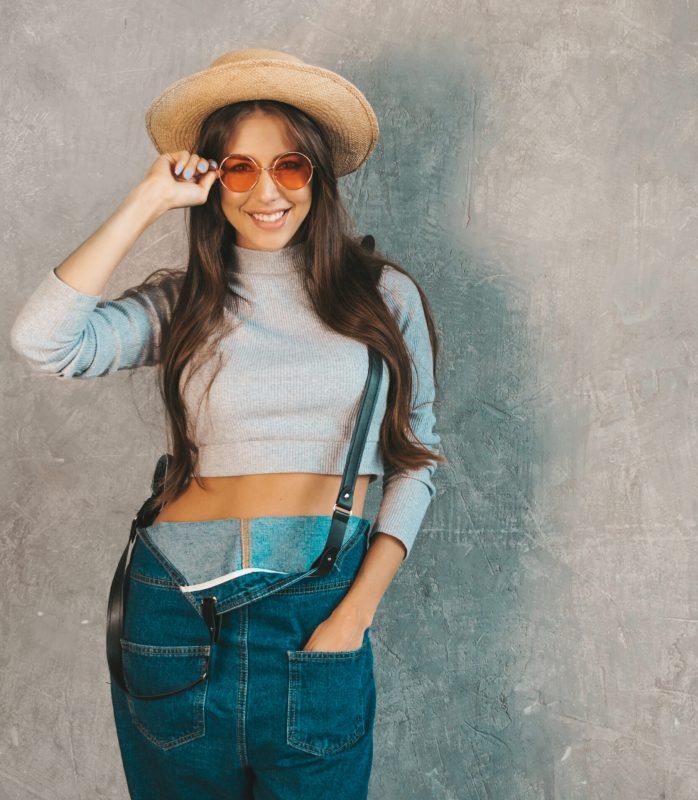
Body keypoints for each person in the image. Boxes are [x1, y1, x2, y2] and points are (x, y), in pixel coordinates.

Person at [9, 47, 445, 799]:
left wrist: (354, 615)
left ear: (318, 175)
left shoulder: (382, 295)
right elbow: (42, 343)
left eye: (289, 166)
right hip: (173, 611)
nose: (266, 191)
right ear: (212, 180)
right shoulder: (184, 303)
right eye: (239, 169)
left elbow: (418, 456)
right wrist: (147, 201)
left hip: (316, 611)